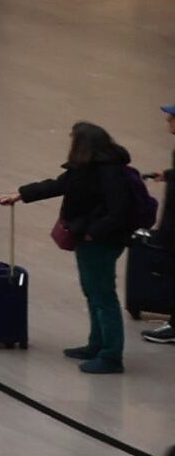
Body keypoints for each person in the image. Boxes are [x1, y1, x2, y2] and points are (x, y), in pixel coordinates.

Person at [29, 120, 160, 371]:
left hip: (100, 242)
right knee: (93, 292)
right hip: (90, 239)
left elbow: (117, 211)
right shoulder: (88, 168)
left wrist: (92, 233)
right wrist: (21, 195)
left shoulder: (108, 172)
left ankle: (110, 355)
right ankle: (96, 344)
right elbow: (58, 184)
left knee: (103, 295)